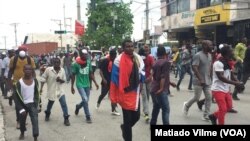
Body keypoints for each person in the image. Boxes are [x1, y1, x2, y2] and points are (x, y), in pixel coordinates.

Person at [110, 39, 144, 141]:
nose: (130, 48)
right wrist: (113, 99)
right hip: (124, 93)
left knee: (137, 117)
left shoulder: (138, 58)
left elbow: (142, 71)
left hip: (135, 92)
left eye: (131, 46)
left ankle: (124, 127)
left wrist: (141, 82)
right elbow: (114, 80)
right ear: (123, 48)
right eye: (127, 46)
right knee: (128, 121)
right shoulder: (118, 60)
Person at [208, 45, 243, 125]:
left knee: (229, 107)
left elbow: (232, 75)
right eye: (232, 51)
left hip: (226, 89)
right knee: (223, 109)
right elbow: (221, 77)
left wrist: (239, 83)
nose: (233, 52)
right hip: (218, 89)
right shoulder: (218, 63)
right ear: (227, 53)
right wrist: (236, 83)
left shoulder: (228, 61)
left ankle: (213, 116)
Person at [183, 40, 213, 120]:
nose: (211, 46)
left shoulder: (210, 55)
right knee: (196, 98)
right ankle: (186, 106)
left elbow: (210, 67)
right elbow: (194, 67)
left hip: (207, 80)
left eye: (211, 45)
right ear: (204, 46)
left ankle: (206, 115)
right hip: (198, 81)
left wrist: (211, 77)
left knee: (209, 97)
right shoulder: (198, 55)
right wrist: (200, 79)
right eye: (209, 45)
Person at [9, 45, 36, 129]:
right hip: (16, 83)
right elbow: (10, 71)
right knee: (19, 104)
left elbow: (33, 71)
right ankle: (18, 121)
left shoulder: (29, 59)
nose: (22, 51)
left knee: (27, 102)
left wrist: (34, 81)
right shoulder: (14, 59)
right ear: (18, 51)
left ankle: (23, 120)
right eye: (21, 50)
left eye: (24, 50)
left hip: (27, 84)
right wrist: (10, 82)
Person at [40, 58, 70, 126]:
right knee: (50, 104)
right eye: (55, 62)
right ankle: (47, 113)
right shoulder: (48, 70)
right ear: (53, 63)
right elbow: (43, 78)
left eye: (58, 63)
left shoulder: (62, 70)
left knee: (64, 104)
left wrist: (60, 80)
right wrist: (41, 88)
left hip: (60, 91)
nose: (56, 64)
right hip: (52, 90)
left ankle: (66, 118)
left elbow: (64, 80)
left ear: (60, 63)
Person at [71, 49, 99, 123]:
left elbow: (90, 73)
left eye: (86, 54)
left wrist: (95, 83)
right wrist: (72, 86)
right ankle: (88, 116)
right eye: (84, 54)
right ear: (80, 55)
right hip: (79, 84)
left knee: (86, 100)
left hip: (87, 84)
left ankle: (78, 106)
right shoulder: (75, 64)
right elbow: (73, 75)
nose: (86, 55)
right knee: (85, 100)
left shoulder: (89, 62)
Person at [150, 46, 176, 125]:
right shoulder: (166, 62)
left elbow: (156, 76)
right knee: (166, 109)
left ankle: (152, 123)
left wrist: (170, 83)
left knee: (156, 107)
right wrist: (161, 89)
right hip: (160, 90)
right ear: (165, 53)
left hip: (153, 88)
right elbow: (163, 77)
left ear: (157, 53)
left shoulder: (155, 62)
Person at [13, 64, 39, 141]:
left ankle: (35, 137)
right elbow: (16, 97)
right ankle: (22, 132)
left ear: (32, 71)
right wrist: (21, 109)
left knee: (35, 120)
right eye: (26, 69)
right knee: (22, 121)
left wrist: (37, 103)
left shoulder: (35, 81)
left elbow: (36, 93)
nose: (28, 71)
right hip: (23, 104)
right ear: (23, 70)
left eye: (29, 69)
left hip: (32, 104)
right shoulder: (19, 82)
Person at [96, 49, 120, 115]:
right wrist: (103, 79)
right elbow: (100, 71)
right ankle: (98, 102)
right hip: (106, 81)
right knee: (103, 94)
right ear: (111, 55)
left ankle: (113, 110)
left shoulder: (115, 62)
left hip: (113, 81)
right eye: (114, 56)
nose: (115, 57)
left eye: (115, 55)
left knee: (113, 96)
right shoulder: (105, 61)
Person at [139, 45, 154, 123]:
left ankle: (145, 109)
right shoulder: (139, 58)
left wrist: (150, 76)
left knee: (147, 96)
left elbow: (153, 69)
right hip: (141, 80)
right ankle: (146, 113)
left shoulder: (150, 58)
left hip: (149, 80)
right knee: (144, 96)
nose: (146, 52)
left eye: (147, 50)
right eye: (144, 50)